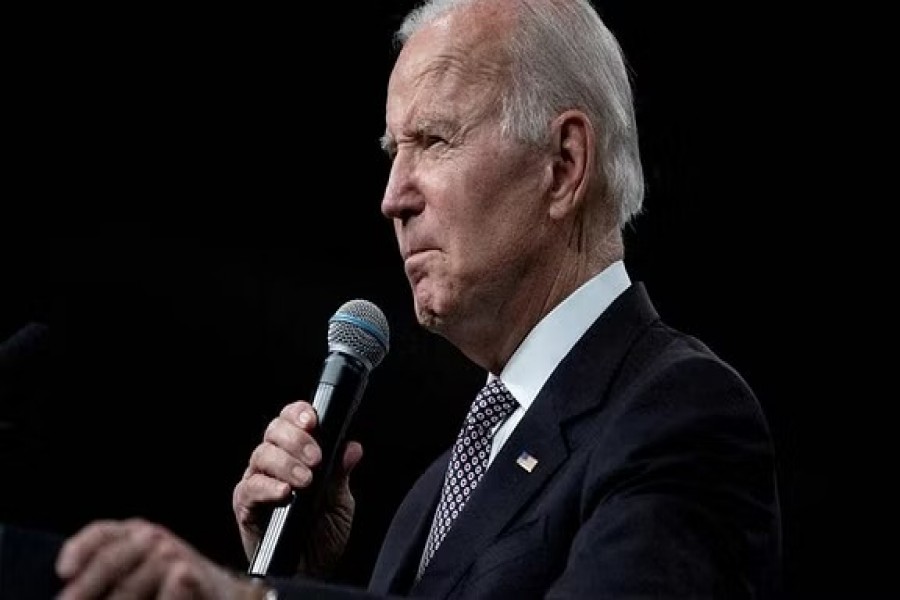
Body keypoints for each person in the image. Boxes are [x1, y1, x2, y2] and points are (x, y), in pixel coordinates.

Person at [54, 0, 782, 597]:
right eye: (391, 152)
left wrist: (257, 599)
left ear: (562, 166)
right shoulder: (432, 494)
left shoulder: (678, 413)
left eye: (433, 140)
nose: (392, 198)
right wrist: (294, 572)